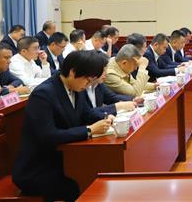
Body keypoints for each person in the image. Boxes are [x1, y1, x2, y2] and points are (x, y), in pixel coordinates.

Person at [12, 51, 115, 201]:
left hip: (65, 159)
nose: (88, 85)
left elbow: (86, 113)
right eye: (87, 80)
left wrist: (105, 118)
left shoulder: (76, 87)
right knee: (79, 184)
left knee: (99, 171)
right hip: (38, 168)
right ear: (73, 72)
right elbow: (48, 136)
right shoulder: (43, 94)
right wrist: (89, 130)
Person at [81, 52, 135, 116]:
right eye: (103, 70)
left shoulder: (99, 84)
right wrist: (117, 106)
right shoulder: (81, 87)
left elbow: (113, 98)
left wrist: (133, 99)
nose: (106, 73)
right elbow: (87, 113)